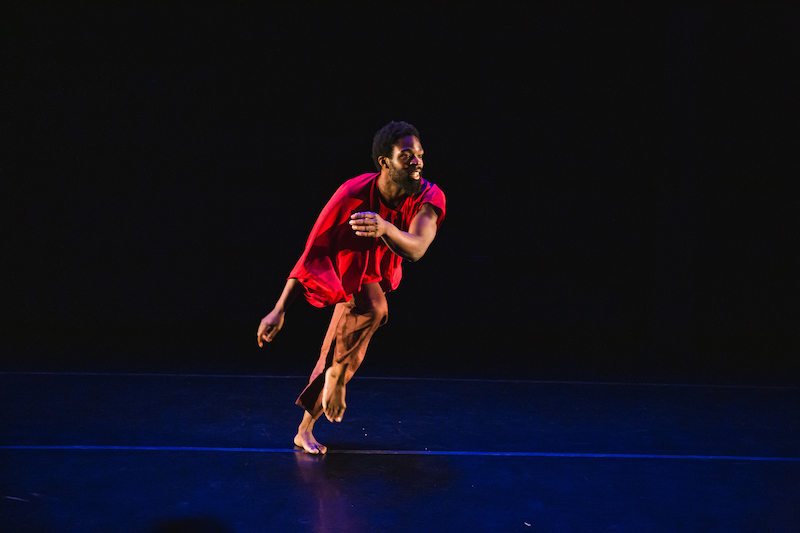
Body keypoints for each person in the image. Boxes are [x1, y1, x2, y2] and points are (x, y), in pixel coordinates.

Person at [256, 121, 446, 454]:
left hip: (378, 270)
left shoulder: (429, 196)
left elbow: (416, 248)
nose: (417, 161)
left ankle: (313, 414)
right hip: (345, 268)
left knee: (351, 335)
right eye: (406, 155)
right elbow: (313, 252)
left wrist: (384, 226)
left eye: (419, 154)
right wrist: (279, 309)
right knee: (374, 309)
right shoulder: (353, 194)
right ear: (384, 162)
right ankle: (334, 381)